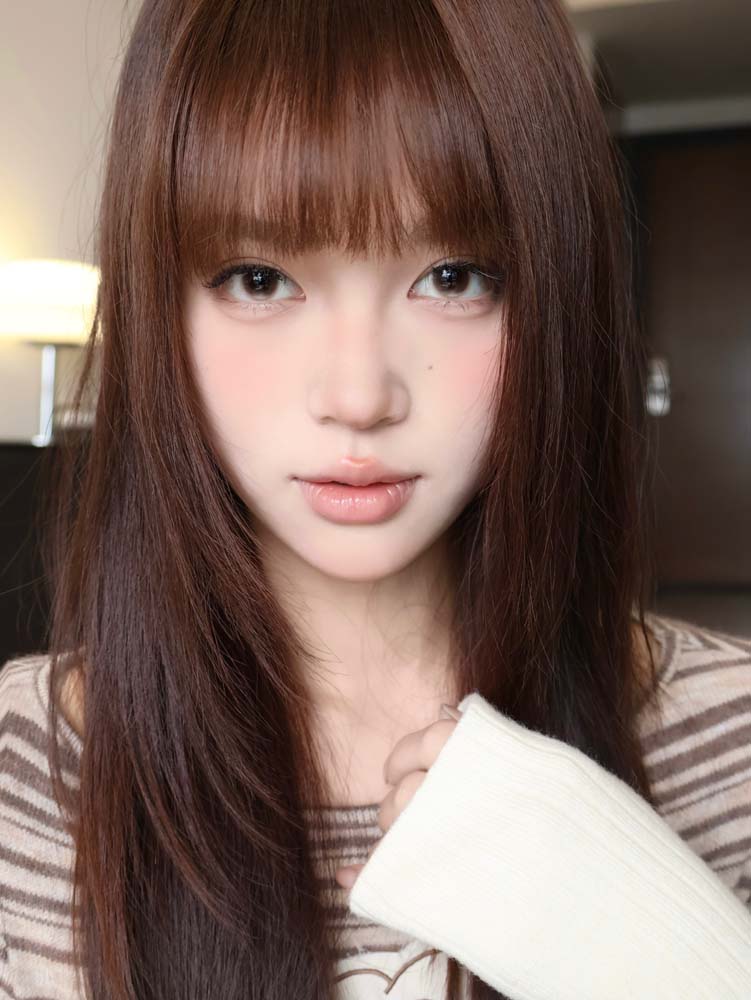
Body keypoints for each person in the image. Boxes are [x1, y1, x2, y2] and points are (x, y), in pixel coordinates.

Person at [1, 0, 750, 998]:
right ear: (156, 311)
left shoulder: (733, 735)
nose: (359, 396)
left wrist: (685, 961)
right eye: (258, 279)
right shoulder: (27, 773)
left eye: (453, 276)